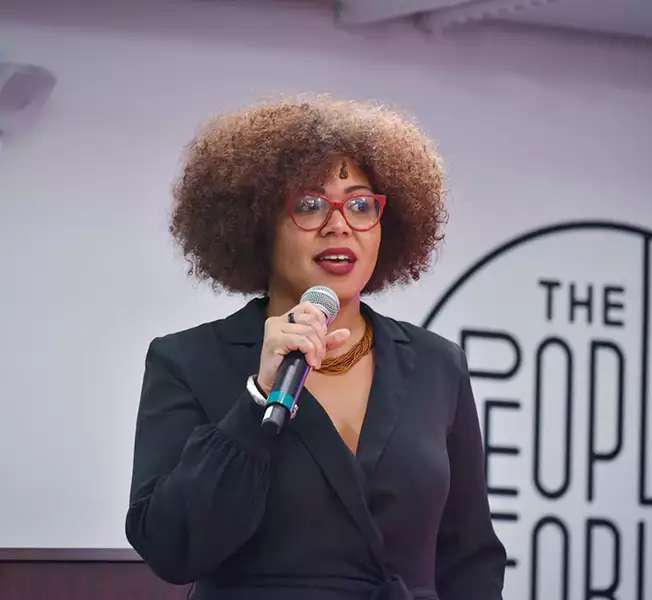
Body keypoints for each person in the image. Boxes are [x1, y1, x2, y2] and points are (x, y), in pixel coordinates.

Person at [125, 96, 506, 600]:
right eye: (308, 204)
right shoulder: (190, 361)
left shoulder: (438, 364)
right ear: (257, 223)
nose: (338, 224)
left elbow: (470, 558)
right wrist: (257, 399)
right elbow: (172, 547)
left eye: (361, 204)